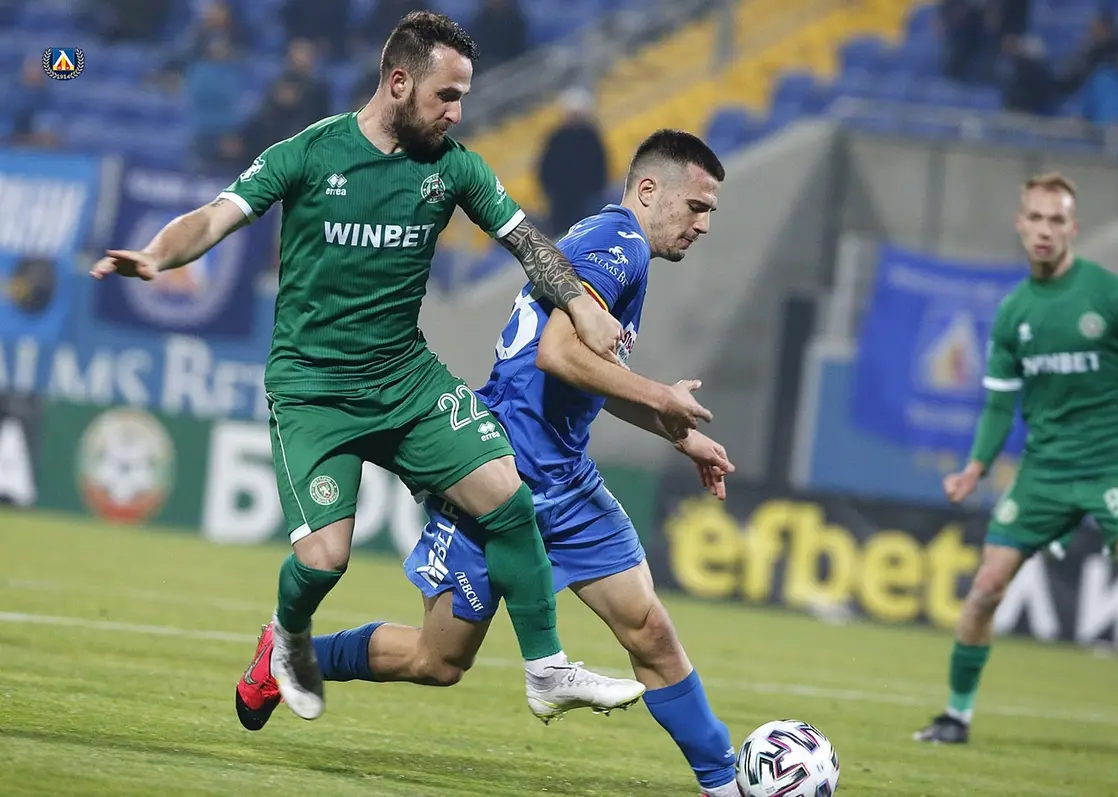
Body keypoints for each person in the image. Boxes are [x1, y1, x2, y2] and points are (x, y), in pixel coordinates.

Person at [90, 11, 648, 726]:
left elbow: (529, 245)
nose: (456, 113)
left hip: (405, 380)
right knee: (324, 561)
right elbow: (215, 215)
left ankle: (546, 670)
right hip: (313, 391)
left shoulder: (454, 167)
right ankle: (286, 638)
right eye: (447, 96)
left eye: (463, 98)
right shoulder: (309, 153)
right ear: (399, 81)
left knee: (508, 500)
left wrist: (580, 305)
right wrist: (157, 256)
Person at [233, 129, 745, 797]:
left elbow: (590, 374)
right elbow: (559, 354)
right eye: (697, 206)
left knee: (648, 628)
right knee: (438, 659)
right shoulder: (615, 244)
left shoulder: (622, 250)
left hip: (564, 476)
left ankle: (723, 782)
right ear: (649, 191)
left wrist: (676, 431)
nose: (703, 224)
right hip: (499, 473)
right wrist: (660, 395)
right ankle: (288, 654)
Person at [914, 172, 1118, 771]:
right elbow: (999, 405)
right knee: (986, 587)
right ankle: (955, 716)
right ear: (1021, 225)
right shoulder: (1014, 313)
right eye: (1036, 218)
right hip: (1045, 469)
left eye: (1056, 220)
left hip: (1117, 460)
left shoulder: (1112, 296)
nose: (1045, 230)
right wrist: (974, 469)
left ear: (1073, 228)